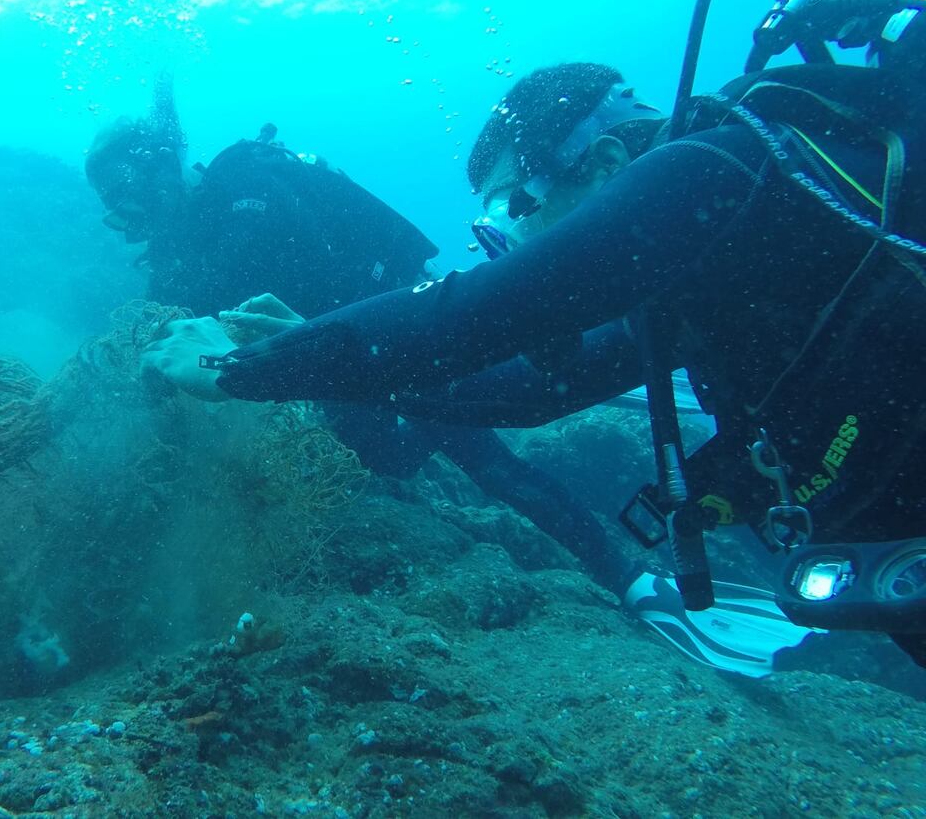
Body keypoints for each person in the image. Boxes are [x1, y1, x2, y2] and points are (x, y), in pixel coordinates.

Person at [141, 53, 926, 669]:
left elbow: (470, 316)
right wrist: (303, 340)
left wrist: (240, 372)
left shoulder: (705, 175)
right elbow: (523, 393)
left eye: (514, 203)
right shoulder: (694, 271)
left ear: (608, 159)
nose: (508, 234)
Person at [85, 75, 637, 599]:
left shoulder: (249, 182)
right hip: (324, 357)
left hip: (390, 328)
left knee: (483, 457)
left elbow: (325, 272)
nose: (126, 216)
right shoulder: (174, 254)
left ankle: (627, 576)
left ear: (161, 168)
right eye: (111, 208)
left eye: (127, 193)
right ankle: (448, 406)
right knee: (389, 459)